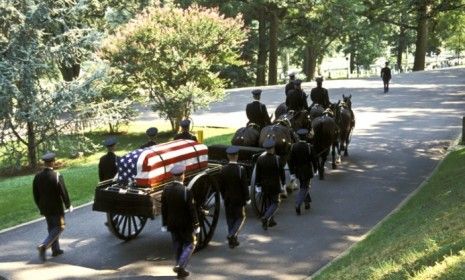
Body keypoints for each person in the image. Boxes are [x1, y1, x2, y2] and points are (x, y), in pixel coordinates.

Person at [161, 164, 200, 278]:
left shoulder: (166, 190)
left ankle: (180, 272)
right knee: (191, 244)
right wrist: (196, 224)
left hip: (172, 224)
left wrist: (164, 223)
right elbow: (192, 210)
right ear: (182, 176)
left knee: (177, 246)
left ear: (173, 176)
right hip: (185, 225)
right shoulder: (186, 191)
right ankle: (180, 265)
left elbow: (164, 209)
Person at [33, 152, 72, 262]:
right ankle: (44, 245)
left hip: (45, 208)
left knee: (51, 228)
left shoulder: (37, 176)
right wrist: (68, 204)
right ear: (53, 162)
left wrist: (40, 206)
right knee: (60, 226)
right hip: (56, 207)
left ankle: (56, 250)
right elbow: (63, 192)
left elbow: (36, 194)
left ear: (45, 163)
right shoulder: (56, 175)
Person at [218, 146, 250, 248]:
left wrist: (224, 196)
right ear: (237, 156)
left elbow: (221, 186)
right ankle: (231, 234)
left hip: (227, 198)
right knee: (241, 217)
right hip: (238, 199)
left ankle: (232, 241)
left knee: (230, 219)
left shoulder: (223, 170)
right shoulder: (241, 170)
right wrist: (247, 198)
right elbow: (244, 186)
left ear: (228, 156)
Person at [255, 139, 285, 230]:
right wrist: (283, 184)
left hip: (264, 185)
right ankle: (265, 217)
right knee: (275, 203)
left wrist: (258, 184)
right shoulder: (277, 159)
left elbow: (258, 174)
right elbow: (282, 173)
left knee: (268, 203)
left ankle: (270, 221)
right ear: (273, 149)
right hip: (275, 185)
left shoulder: (260, 159)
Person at [288, 129, 315, 215]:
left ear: (298, 137)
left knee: (303, 185)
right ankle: (298, 203)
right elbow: (314, 160)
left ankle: (307, 203)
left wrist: (292, 172)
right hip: (307, 170)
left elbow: (290, 161)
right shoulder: (309, 147)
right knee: (305, 187)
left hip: (298, 171)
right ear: (306, 136)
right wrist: (316, 169)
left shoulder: (293, 147)